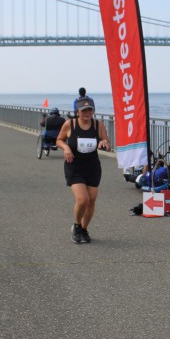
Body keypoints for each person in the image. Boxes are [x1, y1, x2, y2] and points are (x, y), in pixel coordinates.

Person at [56, 96, 111, 243]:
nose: (87, 113)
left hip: (92, 167)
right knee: (83, 199)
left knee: (91, 201)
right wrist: (66, 147)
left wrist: (104, 143)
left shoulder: (98, 125)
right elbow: (59, 140)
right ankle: (77, 226)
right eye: (83, 110)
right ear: (77, 111)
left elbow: (107, 142)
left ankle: (84, 229)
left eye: (90, 110)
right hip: (74, 166)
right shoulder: (70, 124)